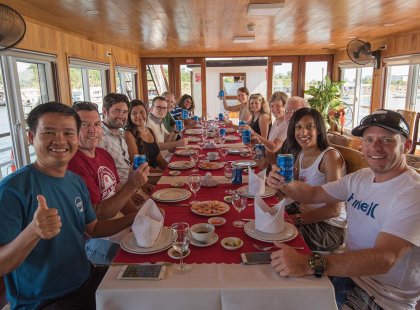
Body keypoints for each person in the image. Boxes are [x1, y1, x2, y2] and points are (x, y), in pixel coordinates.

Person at [267, 109, 420, 310]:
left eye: (386, 140)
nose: (375, 147)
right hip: (346, 276)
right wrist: (282, 182)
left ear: (407, 146)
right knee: (274, 294)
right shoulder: (362, 177)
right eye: (368, 139)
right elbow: (312, 194)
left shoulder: (412, 192)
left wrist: (308, 263)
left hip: (380, 297)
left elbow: (385, 259)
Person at [0, 102, 141, 309]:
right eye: (49, 132)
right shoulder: (12, 190)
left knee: (155, 283)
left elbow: (93, 229)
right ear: (31, 138)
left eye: (68, 133)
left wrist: (139, 216)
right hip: (46, 300)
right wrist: (33, 232)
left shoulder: (75, 181)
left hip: (86, 279)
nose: (60, 140)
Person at [68, 101, 149, 265]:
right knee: (143, 259)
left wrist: (138, 219)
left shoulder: (103, 154)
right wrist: (133, 190)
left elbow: (118, 190)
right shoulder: (73, 163)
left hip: (116, 226)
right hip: (90, 241)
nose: (93, 130)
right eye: (84, 124)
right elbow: (98, 215)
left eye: (97, 124)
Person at [282, 107, 346, 251]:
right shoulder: (301, 153)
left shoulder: (330, 157)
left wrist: (295, 219)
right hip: (305, 215)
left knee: (277, 234)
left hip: (329, 228)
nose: (303, 133)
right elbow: (292, 193)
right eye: (298, 127)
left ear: (318, 130)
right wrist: (278, 182)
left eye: (309, 127)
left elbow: (334, 210)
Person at [124, 99, 168, 172]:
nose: (138, 116)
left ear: (146, 113)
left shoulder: (150, 130)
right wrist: (163, 173)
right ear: (129, 116)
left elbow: (159, 158)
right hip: (144, 175)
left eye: (142, 112)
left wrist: (170, 170)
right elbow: (138, 166)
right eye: (134, 113)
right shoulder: (128, 134)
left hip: (156, 172)